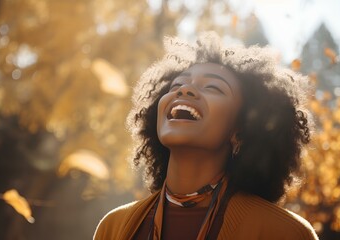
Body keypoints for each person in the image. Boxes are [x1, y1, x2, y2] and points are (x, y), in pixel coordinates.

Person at [94, 32, 319, 240]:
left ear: (240, 130)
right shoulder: (113, 226)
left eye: (213, 87)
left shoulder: (284, 232)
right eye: (178, 85)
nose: (184, 90)